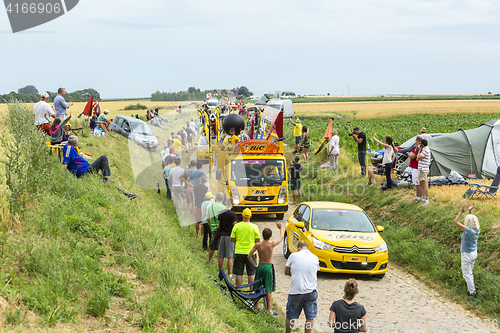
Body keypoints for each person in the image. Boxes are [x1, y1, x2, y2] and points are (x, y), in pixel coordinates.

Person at [248, 221, 284, 314]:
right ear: (270, 236)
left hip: (260, 266)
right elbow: (281, 238)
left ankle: (255, 306)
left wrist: (254, 265)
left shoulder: (258, 245)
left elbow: (249, 256)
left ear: (262, 235)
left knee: (256, 287)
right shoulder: (271, 244)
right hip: (268, 267)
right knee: (268, 289)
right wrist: (280, 229)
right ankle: (269, 309)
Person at [284, 241, 319, 333]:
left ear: (297, 248)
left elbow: (286, 272)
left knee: (290, 315)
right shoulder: (315, 257)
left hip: (296, 291)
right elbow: (315, 271)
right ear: (308, 249)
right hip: (311, 291)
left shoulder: (293, 256)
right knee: (310, 317)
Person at [454, 203, 480, 297]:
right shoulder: (476, 229)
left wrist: (461, 212)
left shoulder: (467, 231)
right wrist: (469, 211)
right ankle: (471, 287)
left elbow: (456, 222)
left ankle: (472, 292)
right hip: (474, 253)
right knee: (470, 272)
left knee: (466, 274)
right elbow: (471, 221)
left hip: (467, 254)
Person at [230, 208, 260, 287]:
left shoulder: (237, 226)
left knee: (239, 273)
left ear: (242, 215)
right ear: (251, 216)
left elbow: (232, 239)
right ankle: (251, 291)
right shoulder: (254, 227)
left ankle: (238, 289)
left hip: (239, 251)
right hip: (250, 253)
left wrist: (238, 240)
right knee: (251, 273)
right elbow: (258, 240)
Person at [218, 198, 237, 277]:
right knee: (230, 256)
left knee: (221, 255)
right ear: (232, 204)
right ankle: (229, 274)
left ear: (225, 203)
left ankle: (220, 272)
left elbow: (219, 224)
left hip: (222, 235)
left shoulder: (221, 212)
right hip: (230, 236)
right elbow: (235, 225)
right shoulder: (233, 214)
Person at [206, 192, 226, 263]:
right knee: (220, 247)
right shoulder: (224, 208)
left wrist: (210, 226)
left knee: (212, 246)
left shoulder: (210, 206)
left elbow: (207, 218)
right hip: (221, 230)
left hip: (213, 228)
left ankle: (209, 260)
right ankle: (219, 262)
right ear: (223, 199)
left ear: (216, 198)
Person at [416, 139, 431, 205]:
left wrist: (419, 150)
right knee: (421, 184)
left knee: (424, 185)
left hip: (424, 170)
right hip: (421, 169)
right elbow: (417, 158)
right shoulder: (424, 150)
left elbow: (418, 157)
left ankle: (426, 199)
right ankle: (423, 198)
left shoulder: (426, 150)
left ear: (422, 144)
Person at [408, 136, 423, 202]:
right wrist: (410, 154)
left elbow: (412, 156)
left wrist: (411, 154)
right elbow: (410, 153)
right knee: (416, 183)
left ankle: (419, 196)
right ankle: (417, 196)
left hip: (416, 167)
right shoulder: (416, 148)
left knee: (418, 183)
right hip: (414, 167)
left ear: (417, 140)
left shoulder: (418, 148)